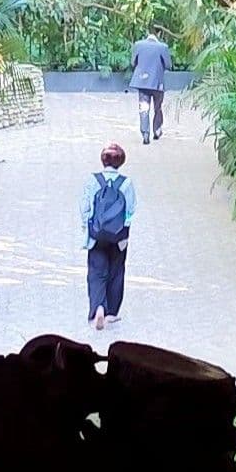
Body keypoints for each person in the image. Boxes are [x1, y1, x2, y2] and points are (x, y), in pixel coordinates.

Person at [82, 142, 137, 334]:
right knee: (116, 272)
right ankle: (112, 312)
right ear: (121, 162)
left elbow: (86, 208)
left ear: (103, 161)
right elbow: (130, 211)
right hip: (118, 236)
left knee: (96, 273)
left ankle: (98, 308)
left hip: (97, 235)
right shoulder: (127, 183)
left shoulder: (92, 180)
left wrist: (88, 230)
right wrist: (124, 232)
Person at [128, 27, 174, 145]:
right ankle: (157, 130)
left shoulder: (138, 45)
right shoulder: (163, 47)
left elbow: (133, 63)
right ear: (159, 33)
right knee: (157, 107)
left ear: (147, 33)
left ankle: (145, 133)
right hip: (157, 83)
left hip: (142, 82)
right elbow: (169, 65)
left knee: (144, 108)